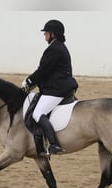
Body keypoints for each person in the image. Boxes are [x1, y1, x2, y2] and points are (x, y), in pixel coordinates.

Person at [22, 19, 78, 155]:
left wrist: (29, 81)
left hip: (57, 89)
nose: (44, 35)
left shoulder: (54, 49)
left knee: (37, 113)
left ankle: (54, 144)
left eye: (46, 32)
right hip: (59, 86)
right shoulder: (58, 47)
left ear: (53, 34)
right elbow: (47, 71)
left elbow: (43, 70)